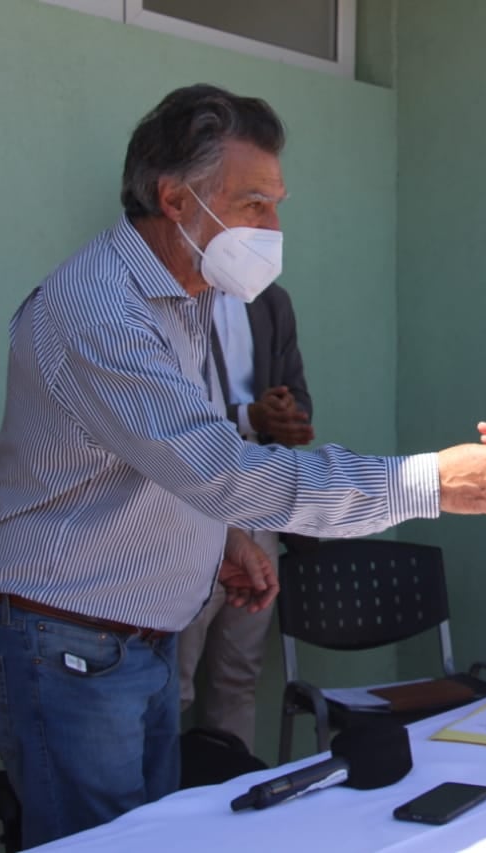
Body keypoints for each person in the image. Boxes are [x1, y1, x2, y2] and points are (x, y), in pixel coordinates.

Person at [0, 84, 486, 847]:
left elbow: (164, 455)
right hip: (67, 643)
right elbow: (221, 467)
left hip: (131, 639)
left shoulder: (184, 293)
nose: (273, 227)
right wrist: (428, 480)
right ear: (175, 198)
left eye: (276, 202)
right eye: (254, 203)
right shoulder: (101, 309)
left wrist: (224, 533)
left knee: (148, 838)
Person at [177, 283, 313, 751]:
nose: (261, 227)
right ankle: (160, 813)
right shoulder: (169, 298)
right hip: (188, 508)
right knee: (171, 683)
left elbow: (295, 391)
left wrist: (287, 415)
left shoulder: (270, 299)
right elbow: (169, 419)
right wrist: (249, 416)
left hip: (259, 501)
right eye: (252, 207)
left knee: (238, 674)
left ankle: (229, 797)